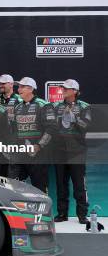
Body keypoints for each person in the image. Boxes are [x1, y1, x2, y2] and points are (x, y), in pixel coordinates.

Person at [8, 77, 58, 193]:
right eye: (18, 87)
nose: (18, 89)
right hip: (20, 154)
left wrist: (39, 146)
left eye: (21, 87)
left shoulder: (44, 105)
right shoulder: (18, 107)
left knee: (39, 188)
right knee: (13, 186)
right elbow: (14, 131)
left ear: (30, 89)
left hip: (39, 156)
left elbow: (52, 128)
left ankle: (42, 211)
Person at [53, 79, 91, 223]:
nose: (63, 90)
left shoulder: (84, 107)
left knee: (79, 184)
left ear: (75, 91)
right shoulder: (55, 106)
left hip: (77, 151)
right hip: (59, 151)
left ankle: (82, 214)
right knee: (61, 184)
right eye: (63, 88)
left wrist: (74, 118)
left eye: (67, 88)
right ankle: (62, 214)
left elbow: (85, 126)